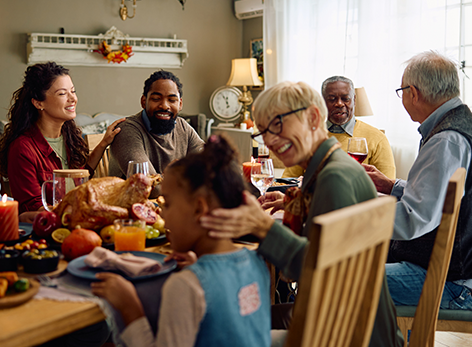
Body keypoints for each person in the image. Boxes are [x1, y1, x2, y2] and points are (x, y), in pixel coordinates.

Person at [199, 81, 403, 347]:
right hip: (355, 322)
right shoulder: (329, 167)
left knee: (215, 328)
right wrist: (292, 202)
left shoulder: (335, 178)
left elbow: (322, 274)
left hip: (346, 333)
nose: (270, 140)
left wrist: (263, 227)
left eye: (277, 125)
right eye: (263, 131)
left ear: (314, 118)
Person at [92, 135, 271, 347]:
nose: (163, 216)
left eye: (166, 203)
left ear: (199, 209)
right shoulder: (258, 263)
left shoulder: (186, 286)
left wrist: (129, 305)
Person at [363, 51, 472, 311]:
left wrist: (351, 211)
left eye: (401, 91)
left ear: (413, 93)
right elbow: (439, 199)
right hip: (471, 270)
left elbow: (412, 221)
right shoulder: (457, 123)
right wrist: (392, 186)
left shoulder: (446, 140)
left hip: (457, 282)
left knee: (339, 279)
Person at [0, 62, 123, 216]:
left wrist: (104, 143)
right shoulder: (22, 148)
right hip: (46, 229)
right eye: (63, 94)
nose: (73, 99)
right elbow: (33, 208)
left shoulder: (69, 136)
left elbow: (79, 177)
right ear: (38, 103)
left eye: (73, 91)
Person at [282, 76, 396, 179]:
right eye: (332, 99)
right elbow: (288, 180)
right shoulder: (307, 135)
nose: (339, 104)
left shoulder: (377, 138)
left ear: (354, 100)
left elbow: (387, 189)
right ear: (322, 102)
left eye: (345, 99)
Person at [108, 70, 204, 181]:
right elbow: (145, 185)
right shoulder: (127, 130)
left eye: (172, 100)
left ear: (180, 104)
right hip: (131, 198)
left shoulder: (182, 126)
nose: (164, 106)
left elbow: (209, 164)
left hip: (172, 197)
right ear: (144, 101)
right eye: (156, 99)